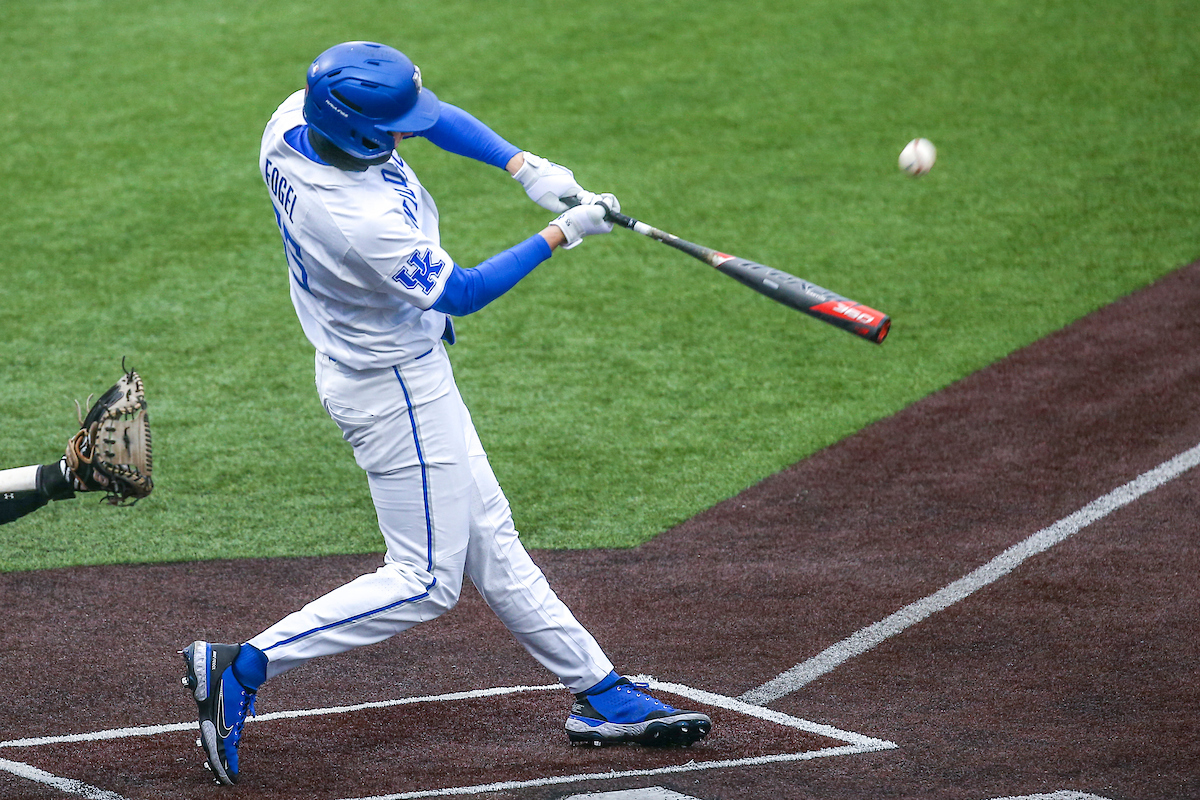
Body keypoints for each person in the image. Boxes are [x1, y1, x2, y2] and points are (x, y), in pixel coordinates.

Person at [181, 41, 711, 786]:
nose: (410, 133)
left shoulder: (297, 116)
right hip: (390, 385)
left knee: (490, 541)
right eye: (395, 128)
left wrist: (524, 167)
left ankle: (601, 694)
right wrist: (566, 231)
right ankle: (243, 665)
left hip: (395, 364)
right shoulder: (354, 215)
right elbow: (460, 291)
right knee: (427, 578)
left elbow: (426, 120)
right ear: (362, 132)